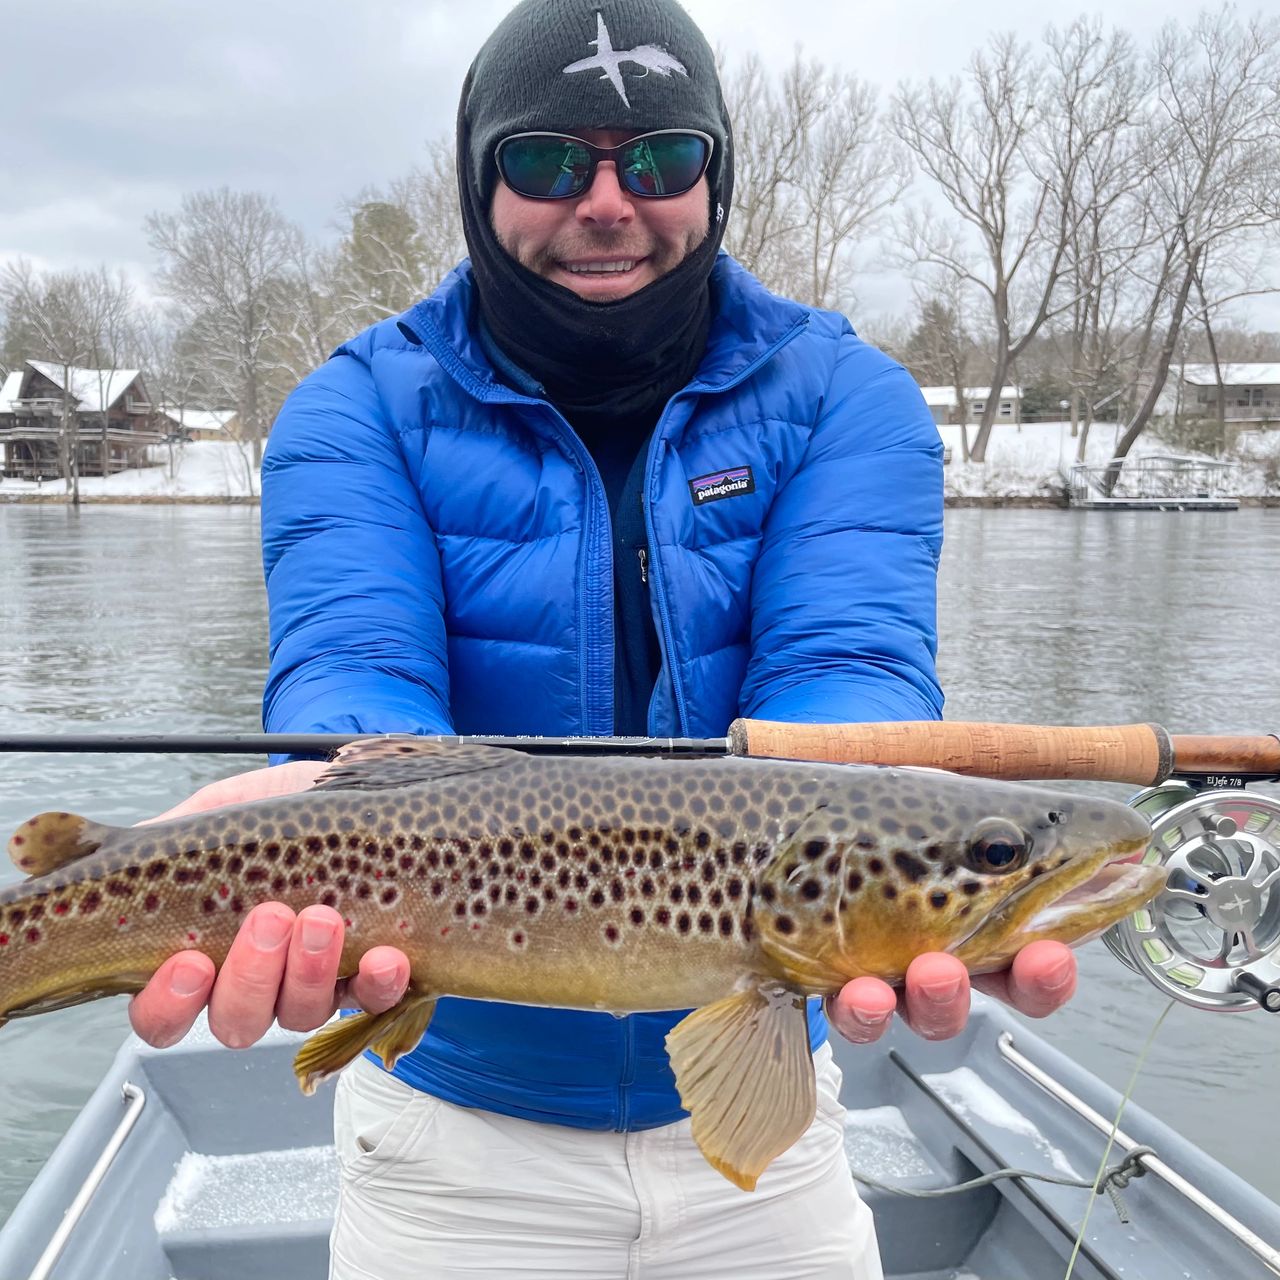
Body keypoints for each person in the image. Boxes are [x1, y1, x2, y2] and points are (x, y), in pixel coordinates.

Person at [130, 1, 1079, 1276]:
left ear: (714, 176)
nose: (607, 202)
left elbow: (846, 677)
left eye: (659, 159)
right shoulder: (356, 404)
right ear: (477, 183)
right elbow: (353, 674)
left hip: (770, 1131)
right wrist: (311, 814)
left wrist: (940, 882)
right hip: (448, 1143)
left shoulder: (845, 395)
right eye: (543, 162)